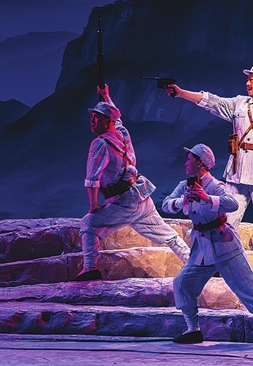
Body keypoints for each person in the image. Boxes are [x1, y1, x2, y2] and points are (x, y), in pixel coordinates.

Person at [167, 63, 253, 282]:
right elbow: (212, 102)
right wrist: (181, 93)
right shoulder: (240, 103)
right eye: (248, 78)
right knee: (225, 221)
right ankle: (219, 265)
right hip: (237, 172)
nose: (247, 82)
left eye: (252, 78)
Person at [162, 144, 253, 344]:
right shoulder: (184, 186)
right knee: (182, 282)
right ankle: (193, 329)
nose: (185, 163)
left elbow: (232, 204)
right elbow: (167, 204)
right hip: (201, 248)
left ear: (200, 162)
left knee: (248, 286)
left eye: (189, 159)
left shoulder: (216, 185)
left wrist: (206, 197)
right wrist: (182, 200)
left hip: (224, 244)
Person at [73, 85, 190, 282]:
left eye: (97, 118)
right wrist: (107, 96)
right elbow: (118, 119)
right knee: (167, 235)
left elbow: (92, 179)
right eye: (92, 117)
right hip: (141, 196)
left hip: (124, 202)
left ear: (107, 121)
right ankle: (196, 263)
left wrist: (93, 205)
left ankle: (90, 268)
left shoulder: (100, 143)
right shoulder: (122, 133)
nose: (92, 121)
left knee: (89, 223)